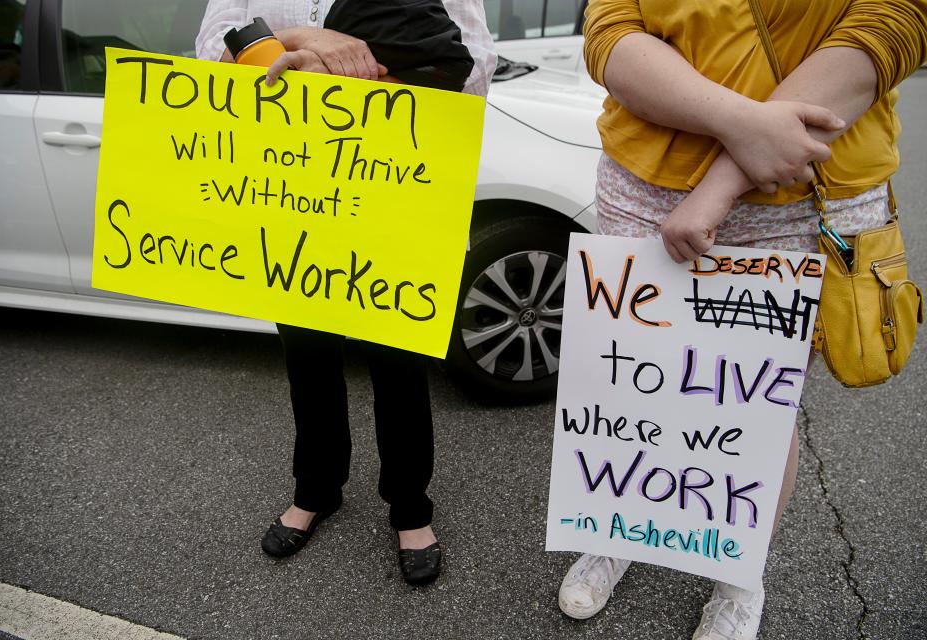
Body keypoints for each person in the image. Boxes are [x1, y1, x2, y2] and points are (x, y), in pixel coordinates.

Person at [557, 1, 927, 638]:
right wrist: (739, 121)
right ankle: (618, 525)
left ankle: (737, 569)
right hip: (644, 182)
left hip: (806, 184)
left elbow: (890, 23)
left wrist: (722, 182)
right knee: (634, 384)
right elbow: (611, 26)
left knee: (752, 405)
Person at [195, 0, 496, 586]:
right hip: (291, 187)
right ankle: (316, 488)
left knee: (400, 359)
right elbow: (209, 52)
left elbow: (474, 64)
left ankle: (410, 507)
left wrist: (357, 67)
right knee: (305, 357)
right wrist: (305, 37)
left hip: (395, 183)